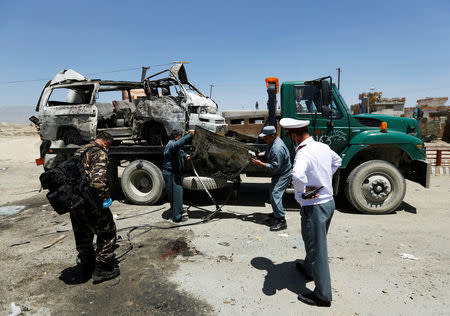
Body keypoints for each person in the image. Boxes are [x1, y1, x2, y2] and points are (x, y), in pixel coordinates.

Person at [280, 118, 342, 307]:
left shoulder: (303, 153)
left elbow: (298, 176)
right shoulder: (322, 147)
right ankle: (309, 269)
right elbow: (337, 161)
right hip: (328, 202)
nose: (291, 140)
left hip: (314, 206)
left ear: (294, 135)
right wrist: (322, 179)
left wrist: (300, 193)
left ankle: (323, 295)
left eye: (290, 136)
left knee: (317, 250)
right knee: (315, 242)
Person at [72, 131, 119, 283]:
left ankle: (86, 266)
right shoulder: (99, 153)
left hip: (74, 201)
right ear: (106, 142)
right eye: (109, 145)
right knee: (108, 232)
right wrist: (104, 199)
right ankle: (102, 269)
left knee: (82, 233)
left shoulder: (80, 150)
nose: (108, 148)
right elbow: (98, 180)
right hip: (90, 202)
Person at [251, 125, 292, 231]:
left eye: (266, 137)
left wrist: (260, 163)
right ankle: (276, 214)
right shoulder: (273, 142)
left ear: (272, 135)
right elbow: (269, 151)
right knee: (273, 193)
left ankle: (281, 221)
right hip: (279, 172)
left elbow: (274, 167)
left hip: (282, 173)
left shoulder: (277, 148)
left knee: (275, 194)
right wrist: (262, 154)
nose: (264, 139)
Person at [163, 130, 194, 222]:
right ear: (176, 137)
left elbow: (179, 151)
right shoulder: (171, 144)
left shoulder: (174, 146)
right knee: (176, 195)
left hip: (174, 173)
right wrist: (189, 135)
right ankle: (177, 217)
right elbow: (176, 146)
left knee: (176, 194)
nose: (181, 138)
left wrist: (185, 155)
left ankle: (177, 211)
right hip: (170, 174)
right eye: (181, 136)